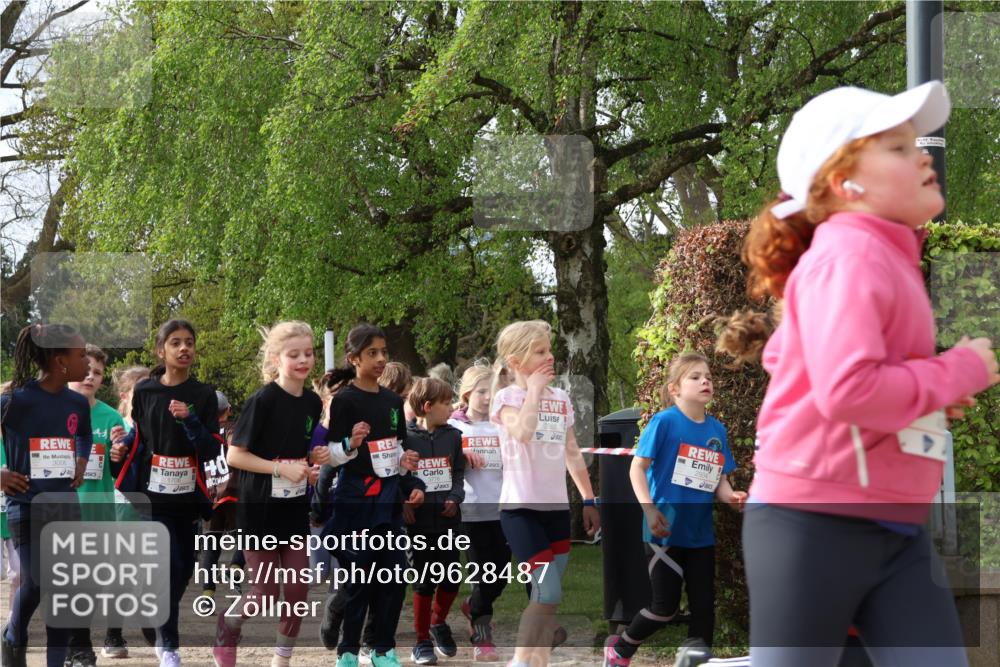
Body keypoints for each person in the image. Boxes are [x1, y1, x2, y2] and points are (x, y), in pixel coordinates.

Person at [720, 81, 1000, 667]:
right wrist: (958, 370)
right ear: (845, 183)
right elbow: (850, 391)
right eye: (897, 148)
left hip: (893, 525)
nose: (923, 155)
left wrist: (923, 400)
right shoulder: (850, 255)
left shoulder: (886, 255)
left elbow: (857, 386)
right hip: (812, 523)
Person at [602, 353, 745, 667]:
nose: (705, 381)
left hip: (701, 535)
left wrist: (732, 497)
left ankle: (698, 662)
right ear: (675, 388)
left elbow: (720, 481)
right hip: (663, 531)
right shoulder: (664, 422)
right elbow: (636, 469)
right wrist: (650, 511)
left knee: (704, 608)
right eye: (694, 377)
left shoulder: (717, 431)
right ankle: (620, 649)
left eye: (707, 376)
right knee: (664, 608)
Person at [213, 321, 328, 667]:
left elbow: (298, 453)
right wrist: (280, 469)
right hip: (259, 509)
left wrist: (311, 462)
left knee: (297, 593)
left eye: (308, 353)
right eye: (294, 354)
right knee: (263, 596)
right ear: (277, 359)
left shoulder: (311, 402)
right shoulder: (261, 400)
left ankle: (281, 662)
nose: (303, 360)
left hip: (293, 509)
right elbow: (235, 455)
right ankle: (228, 625)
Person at [110, 319, 221, 667]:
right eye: (175, 343)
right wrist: (121, 449)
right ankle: (169, 646)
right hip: (151, 496)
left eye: (189, 342)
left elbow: (211, 449)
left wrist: (190, 420)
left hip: (187, 497)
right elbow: (140, 437)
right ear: (162, 351)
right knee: (168, 563)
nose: (184, 348)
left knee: (183, 568)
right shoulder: (145, 392)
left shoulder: (203, 395)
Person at [491, 320, 600, 667]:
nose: (549, 357)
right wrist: (535, 391)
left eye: (549, 349)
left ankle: (537, 662)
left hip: (556, 510)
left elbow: (571, 452)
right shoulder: (505, 398)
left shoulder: (563, 399)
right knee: (546, 591)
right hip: (519, 510)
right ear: (516, 360)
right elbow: (522, 433)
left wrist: (588, 498)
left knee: (548, 600)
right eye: (540, 351)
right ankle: (520, 662)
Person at [323, 324, 422, 667]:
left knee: (395, 577)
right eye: (372, 353)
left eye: (383, 352)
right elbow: (333, 455)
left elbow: (397, 451)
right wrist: (351, 444)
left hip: (388, 503)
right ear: (353, 359)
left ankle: (384, 648)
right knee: (360, 579)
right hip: (355, 501)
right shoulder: (345, 401)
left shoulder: (394, 401)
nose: (381, 359)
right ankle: (348, 651)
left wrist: (406, 463)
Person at [1, 324, 91, 667]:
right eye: (80, 354)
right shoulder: (14, 400)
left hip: (66, 507)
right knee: (38, 581)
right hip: (25, 506)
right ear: (60, 361)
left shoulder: (76, 403)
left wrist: (81, 460)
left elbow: (82, 435)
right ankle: (13, 634)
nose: (86, 361)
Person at [66, 345, 130, 666]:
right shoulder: (52, 412)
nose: (90, 377)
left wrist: (119, 455)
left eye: (98, 373)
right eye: (85, 369)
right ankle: (77, 646)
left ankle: (102, 638)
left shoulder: (111, 416)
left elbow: (120, 471)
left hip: (101, 511)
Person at [404, 377, 466, 665]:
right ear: (427, 407)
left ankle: (437, 621)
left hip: (448, 520)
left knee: (452, 577)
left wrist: (455, 496)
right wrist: (404, 501)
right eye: (446, 403)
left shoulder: (452, 436)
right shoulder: (404, 437)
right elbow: (397, 474)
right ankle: (421, 641)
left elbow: (457, 473)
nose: (452, 407)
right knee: (424, 581)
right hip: (417, 523)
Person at [448, 362, 507, 662]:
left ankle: (473, 604)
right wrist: (460, 456)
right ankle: (482, 636)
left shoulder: (503, 424)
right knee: (484, 575)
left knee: (501, 576)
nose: (487, 397)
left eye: (492, 391)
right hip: (470, 511)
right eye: (482, 391)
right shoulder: (454, 427)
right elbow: (439, 460)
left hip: (504, 508)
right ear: (468, 394)